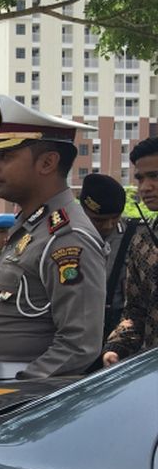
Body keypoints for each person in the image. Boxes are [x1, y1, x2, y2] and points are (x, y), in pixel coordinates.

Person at [0, 95, 108, 381]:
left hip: (26, 394)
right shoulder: (33, 227)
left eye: (5, 156)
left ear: (47, 163)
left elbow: (78, 343)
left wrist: (23, 394)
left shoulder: (68, 236)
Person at [103, 137, 158, 366]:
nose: (145, 187)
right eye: (140, 178)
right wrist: (116, 348)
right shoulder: (142, 241)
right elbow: (135, 310)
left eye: (154, 176)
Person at [77, 173, 131, 340]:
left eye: (115, 218)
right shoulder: (66, 236)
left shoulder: (135, 235)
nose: (108, 226)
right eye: (98, 220)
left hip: (119, 333)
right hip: (77, 330)